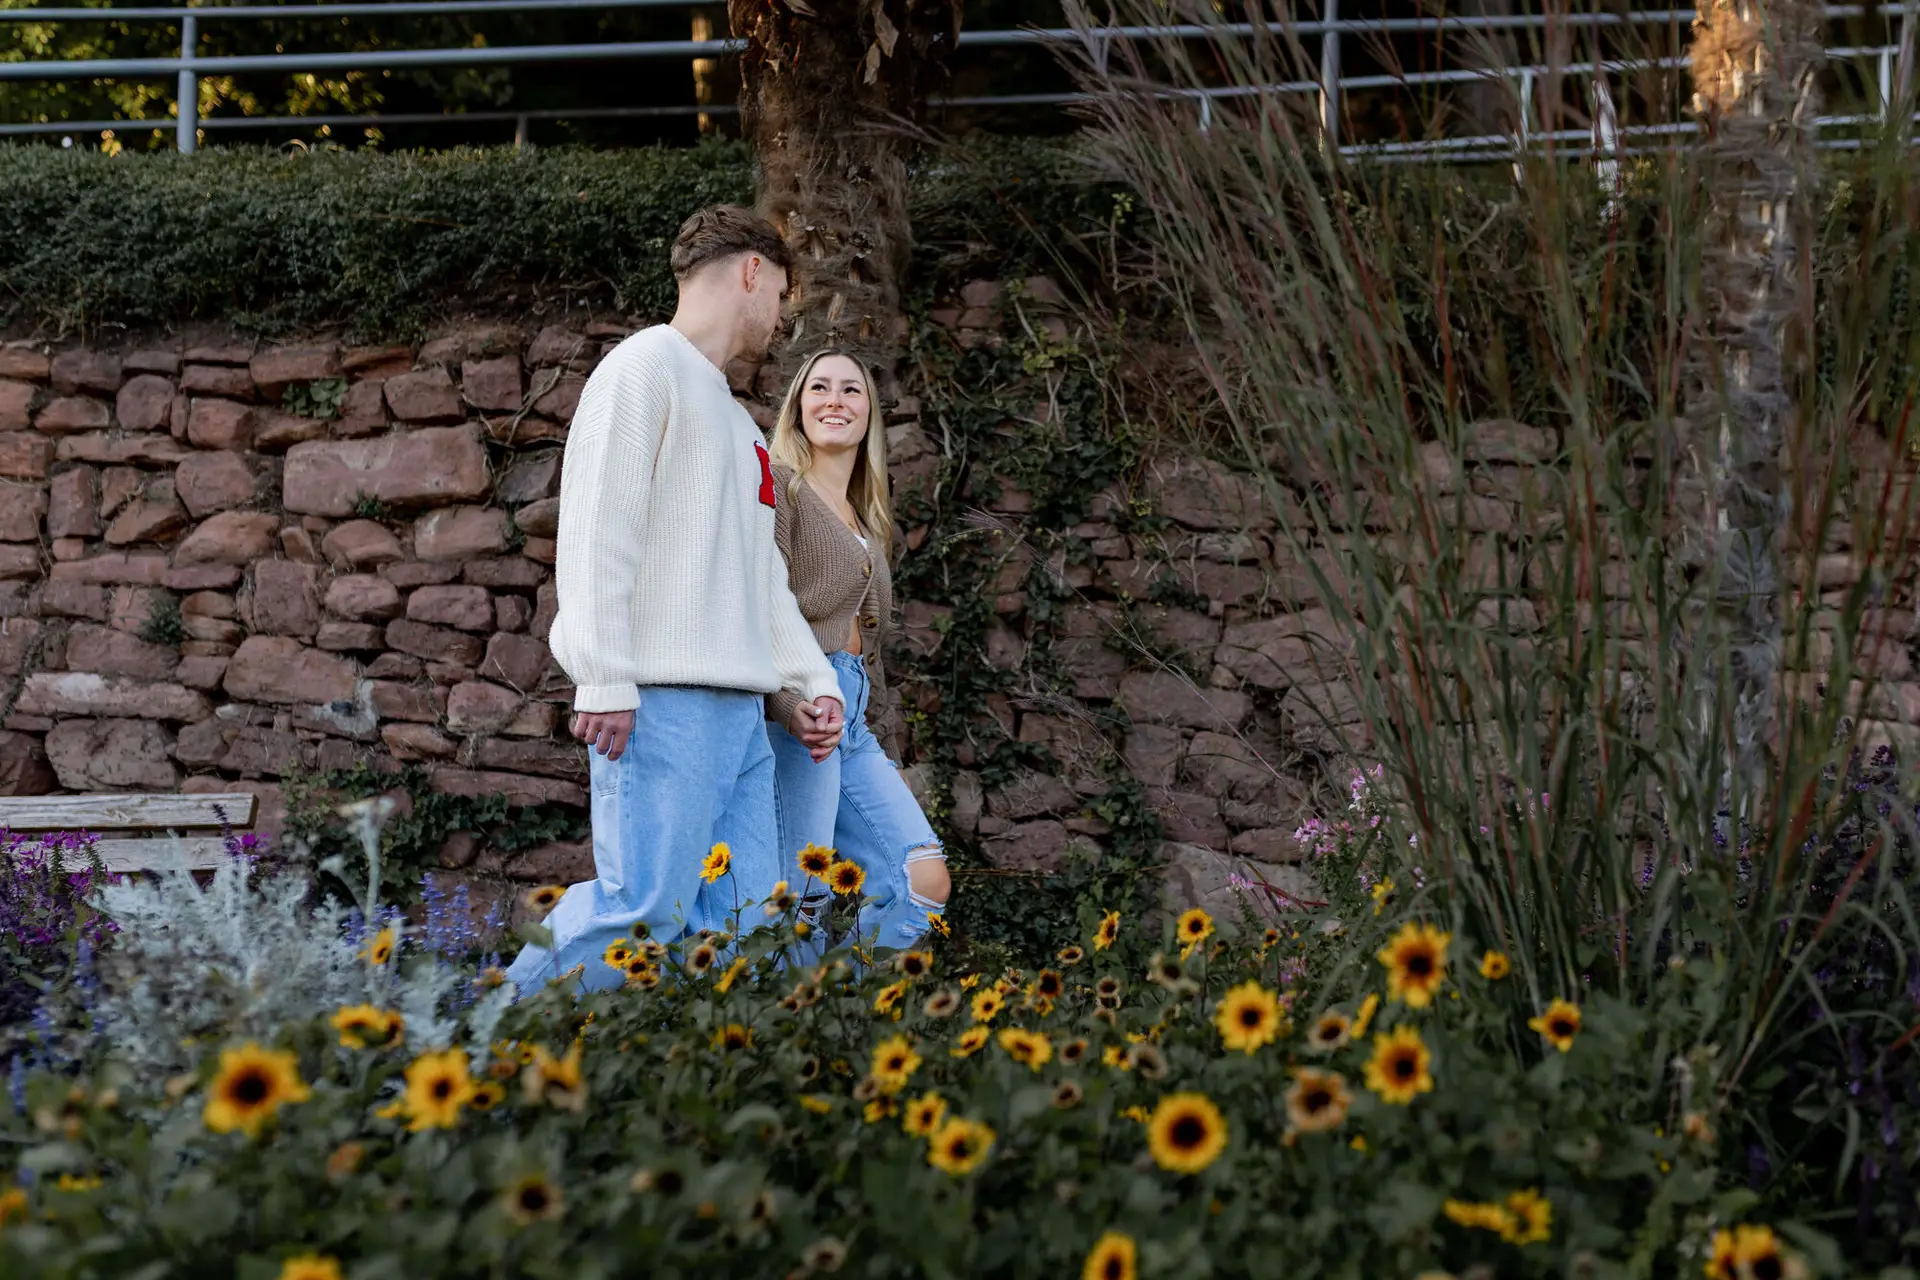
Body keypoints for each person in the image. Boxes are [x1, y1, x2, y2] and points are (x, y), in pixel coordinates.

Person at [507, 206, 846, 995]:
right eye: (781, 295)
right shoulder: (642, 368)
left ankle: (681, 1069)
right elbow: (597, 528)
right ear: (753, 271)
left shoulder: (741, 426)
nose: (780, 318)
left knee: (743, 924)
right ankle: (479, 1041)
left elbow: (760, 579)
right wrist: (603, 676)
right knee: (642, 914)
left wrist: (809, 683)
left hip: (740, 717)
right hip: (662, 707)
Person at [764, 348, 950, 951]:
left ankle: (839, 996)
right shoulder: (780, 487)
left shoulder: (864, 514)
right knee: (798, 898)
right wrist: (785, 705)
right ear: (797, 408)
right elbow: (758, 606)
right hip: (801, 710)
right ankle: (781, 1001)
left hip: (851, 715)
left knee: (924, 880)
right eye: (819, 388)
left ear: (869, 411)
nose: (835, 401)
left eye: (851, 389)